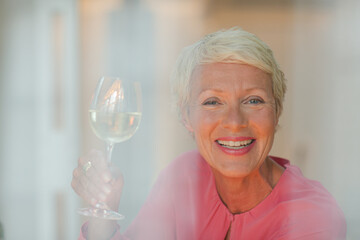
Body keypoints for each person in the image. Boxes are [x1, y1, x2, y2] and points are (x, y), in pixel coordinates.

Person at [72, 27, 346, 240]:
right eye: (212, 102)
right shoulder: (185, 176)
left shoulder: (312, 217)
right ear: (185, 116)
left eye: (254, 100)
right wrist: (103, 213)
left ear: (278, 110)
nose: (235, 122)